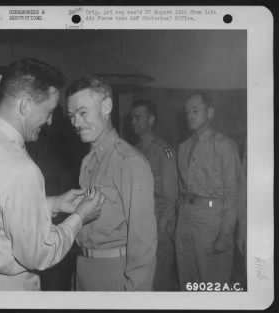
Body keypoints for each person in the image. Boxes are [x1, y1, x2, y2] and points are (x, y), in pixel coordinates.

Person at [0, 58, 104, 291]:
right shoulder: (21, 168)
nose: (49, 121)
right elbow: (39, 254)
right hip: (5, 291)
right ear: (25, 105)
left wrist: (54, 204)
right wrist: (79, 217)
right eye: (48, 111)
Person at [66, 75, 157, 291]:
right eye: (71, 116)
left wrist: (136, 295)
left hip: (115, 273)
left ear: (106, 106)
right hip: (83, 268)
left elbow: (143, 242)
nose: (76, 123)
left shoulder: (129, 161)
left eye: (83, 113)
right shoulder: (89, 160)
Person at [175, 92, 240, 290]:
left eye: (196, 110)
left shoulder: (225, 146)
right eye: (187, 112)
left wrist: (225, 234)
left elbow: (233, 194)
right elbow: (181, 189)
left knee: (213, 283)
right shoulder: (183, 147)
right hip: (185, 218)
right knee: (187, 281)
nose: (190, 116)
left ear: (210, 112)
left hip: (212, 220)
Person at [130, 99, 178, 291]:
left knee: (159, 278)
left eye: (138, 117)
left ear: (151, 120)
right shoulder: (133, 148)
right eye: (132, 118)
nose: (133, 121)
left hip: (158, 220)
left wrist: (164, 224)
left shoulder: (164, 150)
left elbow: (170, 191)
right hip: (138, 220)